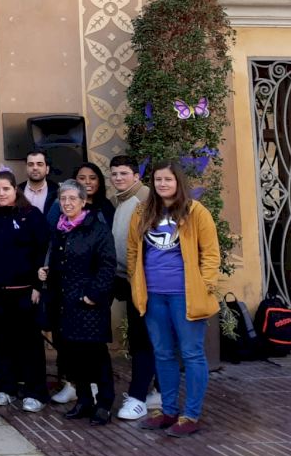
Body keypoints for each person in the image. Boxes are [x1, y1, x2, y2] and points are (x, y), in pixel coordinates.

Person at [128, 161, 220, 438]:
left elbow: (211, 254)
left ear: (178, 182)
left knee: (192, 354)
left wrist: (205, 285)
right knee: (163, 353)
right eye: (158, 180)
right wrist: (135, 283)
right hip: (153, 295)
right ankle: (168, 411)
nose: (162, 184)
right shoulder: (142, 211)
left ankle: (190, 415)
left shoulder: (196, 211)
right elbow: (133, 251)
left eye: (168, 179)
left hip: (186, 295)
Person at [0, 172, 48, 412]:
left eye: (6, 189)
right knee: (1, 342)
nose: (1, 194)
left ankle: (35, 392)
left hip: (25, 293)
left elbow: (42, 251)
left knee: (29, 344)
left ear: (15, 189)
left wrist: (37, 286)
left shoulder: (31, 216)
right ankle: (7, 388)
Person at [40, 180, 116, 425]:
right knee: (73, 355)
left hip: (88, 304)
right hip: (65, 304)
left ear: (83, 201)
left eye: (73, 198)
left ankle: (104, 403)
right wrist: (45, 272)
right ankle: (84, 400)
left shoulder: (97, 229)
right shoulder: (60, 229)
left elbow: (107, 266)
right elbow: (58, 263)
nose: (67, 203)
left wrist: (93, 294)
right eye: (63, 199)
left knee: (96, 355)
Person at [109, 153, 158, 421]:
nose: (118, 178)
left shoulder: (145, 199)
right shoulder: (122, 200)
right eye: (114, 174)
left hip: (143, 282)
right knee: (145, 337)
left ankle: (138, 397)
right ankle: (156, 391)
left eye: (124, 174)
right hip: (126, 279)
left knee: (143, 339)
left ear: (136, 175)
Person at [75, 162, 116, 228]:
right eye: (82, 178)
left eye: (93, 178)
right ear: (74, 182)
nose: (88, 182)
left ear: (99, 182)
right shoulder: (69, 205)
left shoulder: (106, 204)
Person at [18, 151, 59, 217]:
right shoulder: (17, 191)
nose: (35, 168)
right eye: (30, 164)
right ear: (26, 168)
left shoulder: (57, 192)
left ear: (47, 169)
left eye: (39, 164)